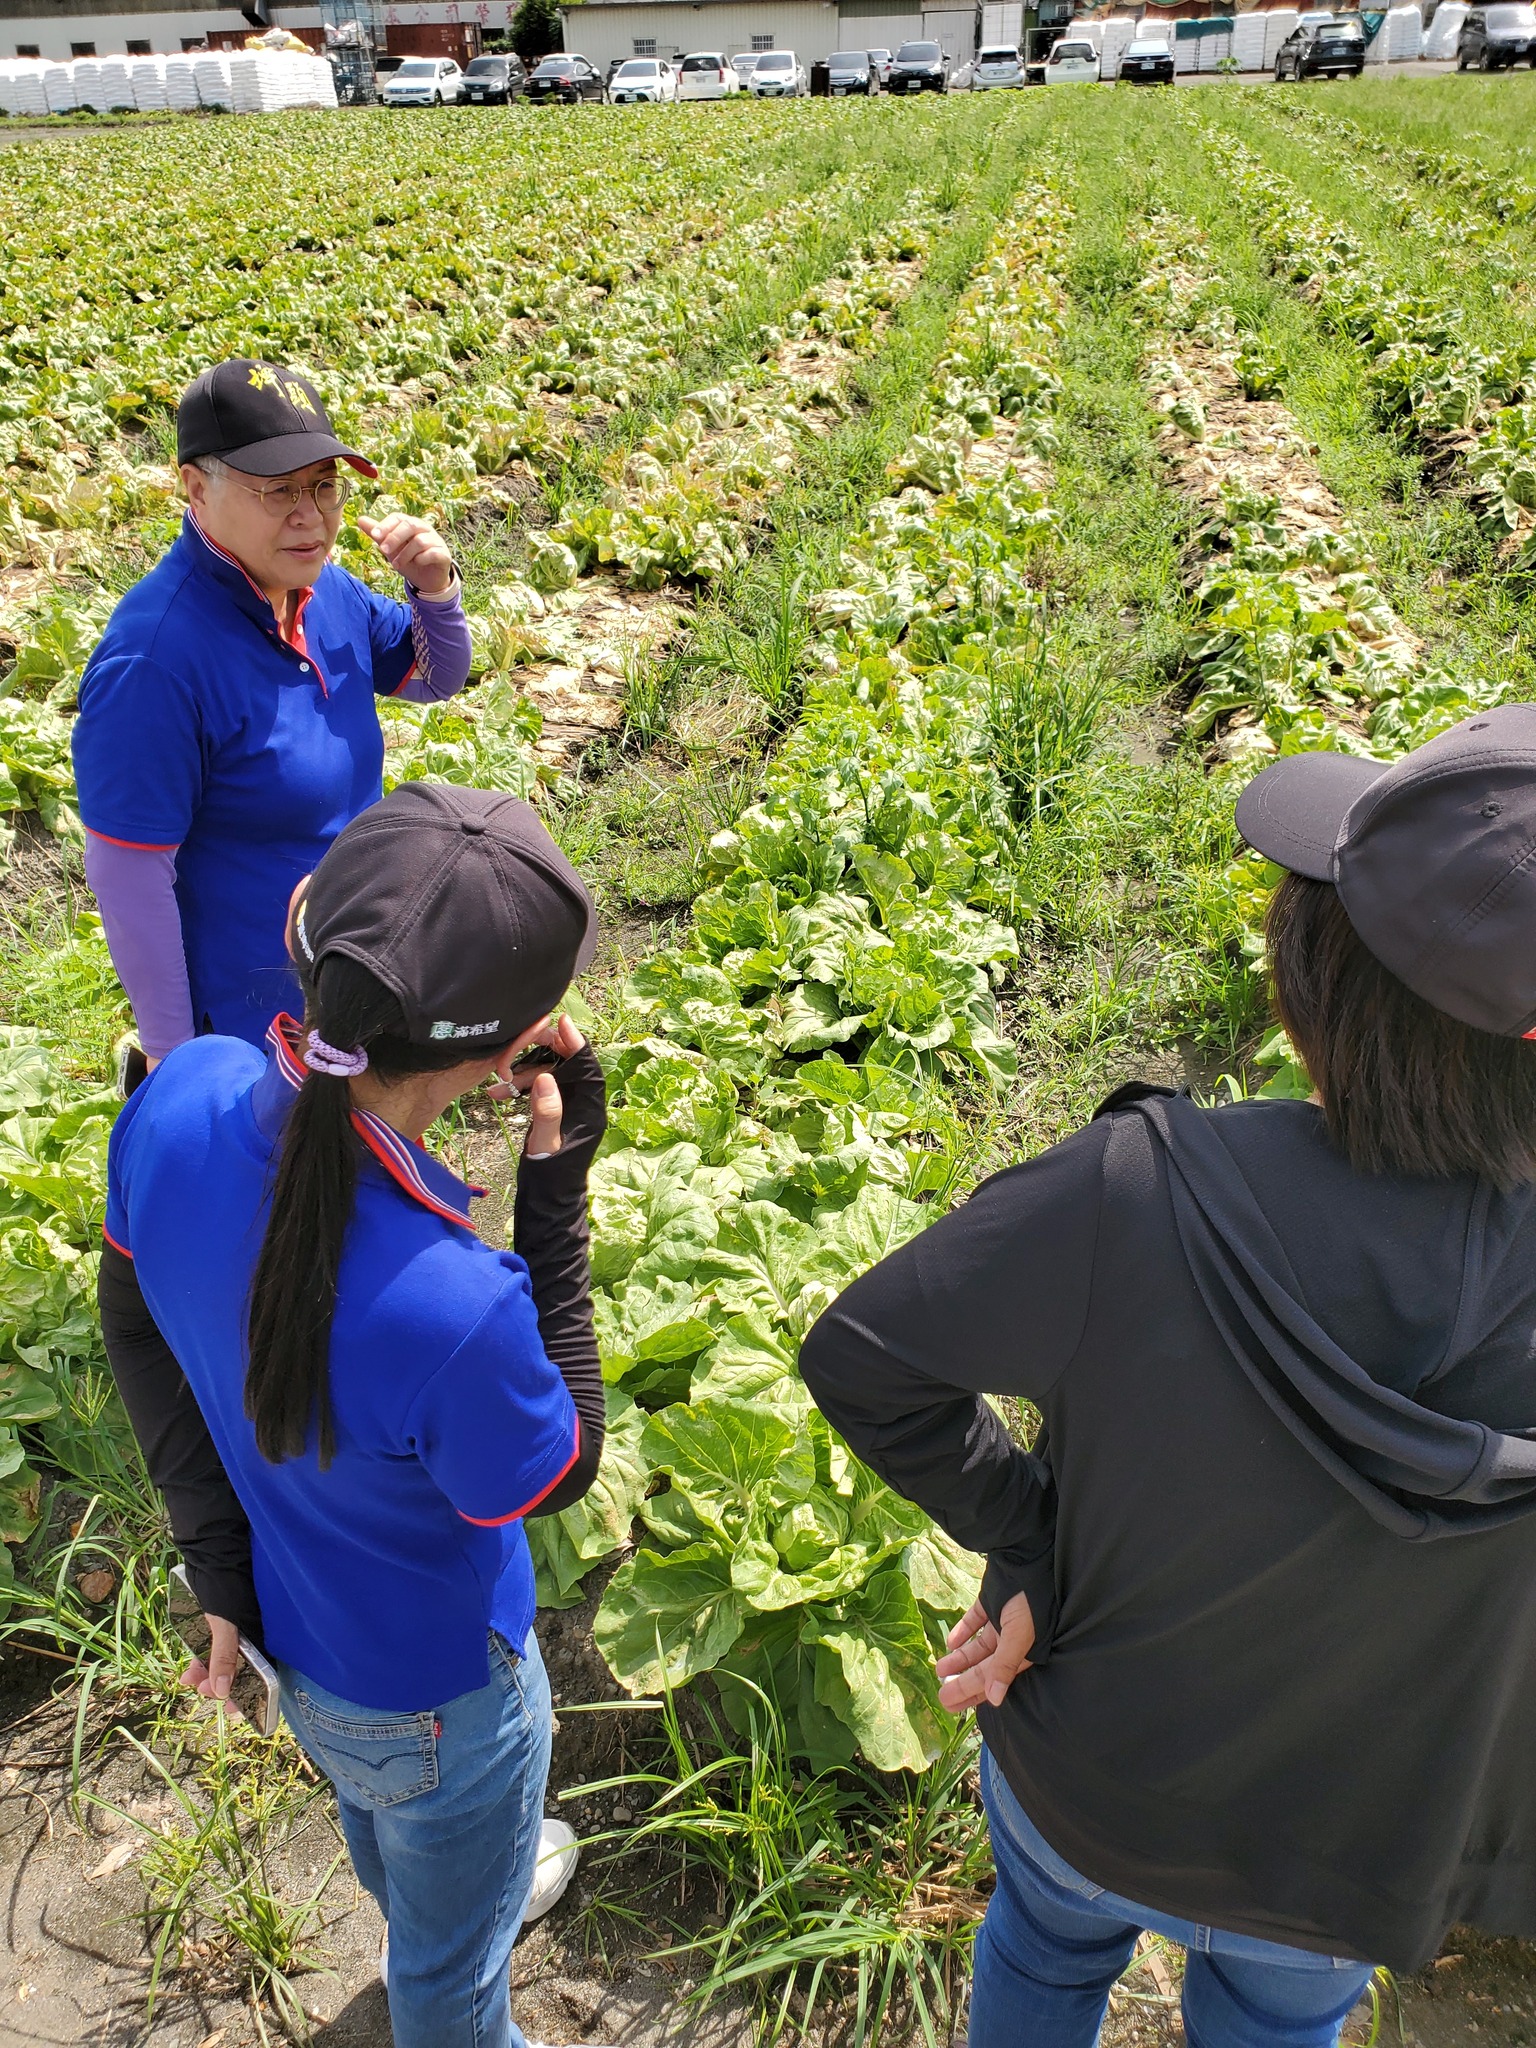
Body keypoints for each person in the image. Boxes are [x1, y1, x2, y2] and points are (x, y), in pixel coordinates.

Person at [800, 705, 1536, 2048]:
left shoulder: (1141, 1191)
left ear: (1319, 981)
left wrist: (1031, 1542)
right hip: (1355, 1854)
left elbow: (865, 1357)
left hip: (1095, 1782)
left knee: (1041, 1953)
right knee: (1274, 2022)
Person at [99, 783, 606, 2048]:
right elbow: (558, 1467)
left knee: (387, 1830)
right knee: (449, 1984)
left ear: (308, 931)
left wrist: (217, 1564)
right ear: (511, 1052)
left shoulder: (182, 1094)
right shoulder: (456, 1304)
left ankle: (441, 1904)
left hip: (301, 1646)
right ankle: (456, 1949)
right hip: (447, 1695)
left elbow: (131, 1322)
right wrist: (554, 1198)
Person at [72, 358, 474, 1075]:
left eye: (324, 486)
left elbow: (433, 676)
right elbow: (128, 876)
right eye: (278, 489)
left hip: (354, 974)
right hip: (252, 1028)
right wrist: (175, 1062)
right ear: (196, 488)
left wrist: (435, 590)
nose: (309, 515)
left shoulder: (326, 592)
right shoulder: (155, 660)